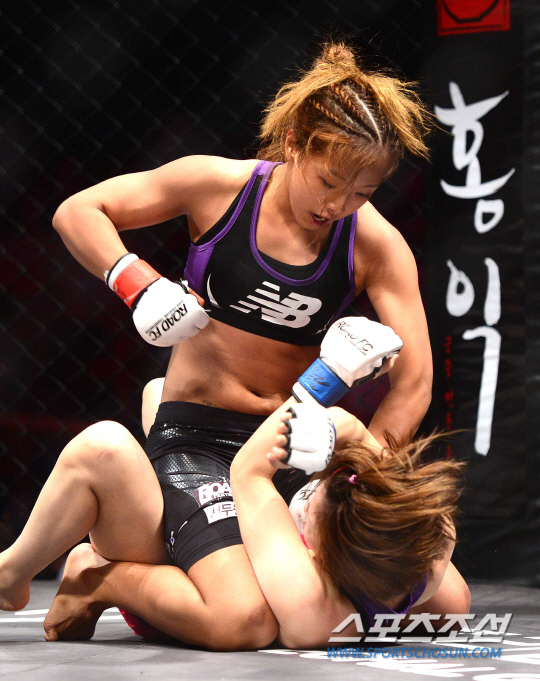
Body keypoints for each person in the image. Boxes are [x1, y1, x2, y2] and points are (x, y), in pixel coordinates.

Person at [49, 41, 435, 643]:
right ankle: (99, 578)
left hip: (287, 449)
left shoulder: (375, 245)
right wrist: (138, 284)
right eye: (328, 181)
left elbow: (415, 381)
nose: (337, 205)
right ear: (294, 144)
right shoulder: (218, 187)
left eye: (361, 193)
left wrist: (364, 478)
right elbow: (79, 211)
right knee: (246, 621)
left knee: (438, 599)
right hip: (197, 439)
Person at [0, 391, 468, 649]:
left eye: (310, 512)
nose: (304, 499)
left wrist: (326, 378)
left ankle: (101, 579)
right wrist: (333, 429)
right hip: (213, 492)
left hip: (187, 575)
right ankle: (12, 569)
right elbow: (368, 453)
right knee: (453, 607)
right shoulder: (431, 539)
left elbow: (246, 470)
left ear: (321, 558)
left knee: (243, 618)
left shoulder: (313, 611)